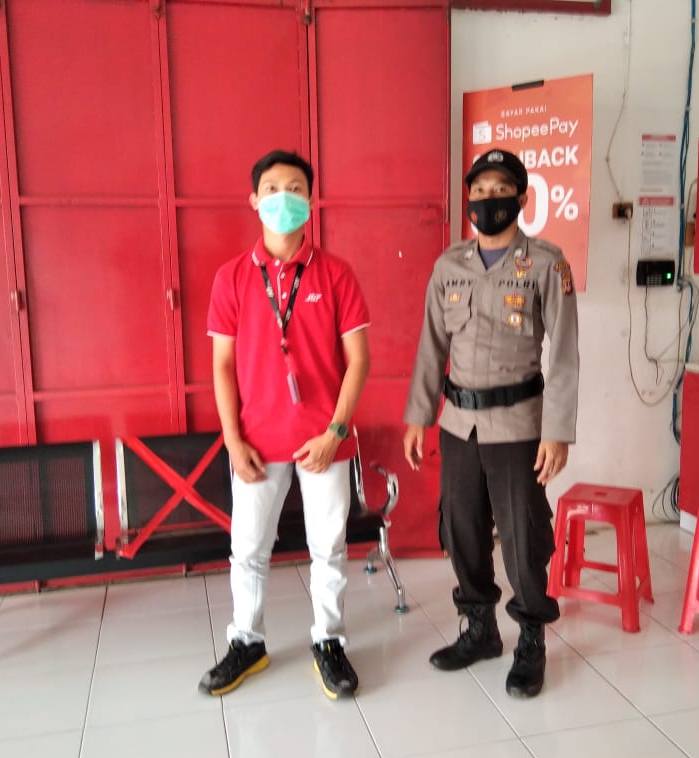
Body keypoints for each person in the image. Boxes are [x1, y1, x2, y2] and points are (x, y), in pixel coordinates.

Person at [402, 148, 579, 698]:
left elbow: (564, 354)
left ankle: (531, 640)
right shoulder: (449, 266)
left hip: (518, 426)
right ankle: (480, 630)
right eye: (478, 192)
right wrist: (418, 416)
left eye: (499, 190)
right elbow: (432, 346)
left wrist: (558, 431)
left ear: (520, 198)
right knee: (462, 530)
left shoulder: (547, 264)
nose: (487, 200)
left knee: (524, 537)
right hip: (458, 424)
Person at [200, 149, 371, 700]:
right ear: (253, 200)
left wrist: (336, 433)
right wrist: (232, 440)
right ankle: (247, 642)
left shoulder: (336, 274)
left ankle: (329, 641)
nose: (283, 198)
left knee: (330, 548)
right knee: (248, 549)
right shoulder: (231, 278)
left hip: (325, 442)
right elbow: (222, 366)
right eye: (271, 189)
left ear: (310, 200)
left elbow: (359, 361)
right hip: (255, 442)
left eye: (295, 188)